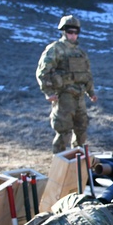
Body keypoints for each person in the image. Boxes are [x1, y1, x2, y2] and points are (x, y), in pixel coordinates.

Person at [36, 15, 97, 153]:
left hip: (80, 97)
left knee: (81, 130)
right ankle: (59, 164)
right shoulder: (55, 49)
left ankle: (78, 162)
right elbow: (43, 71)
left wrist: (91, 93)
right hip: (64, 96)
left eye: (76, 32)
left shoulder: (80, 53)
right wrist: (48, 92)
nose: (73, 35)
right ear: (63, 31)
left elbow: (87, 74)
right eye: (70, 31)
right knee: (64, 131)